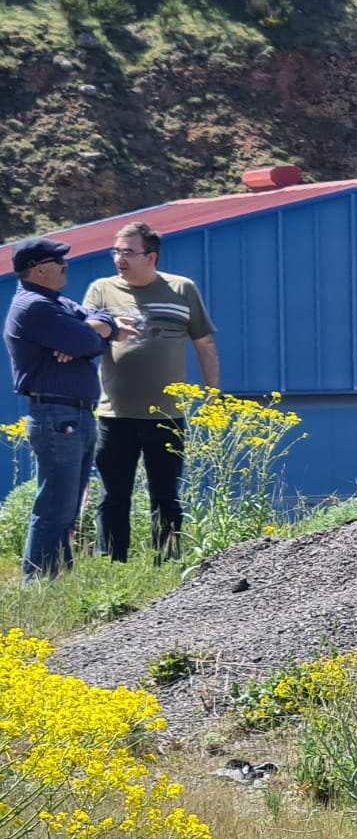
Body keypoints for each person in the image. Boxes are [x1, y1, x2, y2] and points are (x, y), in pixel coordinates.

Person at [83, 222, 216, 563]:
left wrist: (214, 398)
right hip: (115, 414)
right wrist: (106, 328)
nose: (119, 258)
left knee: (165, 495)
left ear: (151, 256)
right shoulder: (101, 290)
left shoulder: (182, 289)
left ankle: (168, 560)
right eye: (116, 251)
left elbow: (204, 344)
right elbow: (83, 333)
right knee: (113, 494)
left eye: (128, 251)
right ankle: (112, 563)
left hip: (167, 414)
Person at [5, 237, 137, 579]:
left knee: (67, 509)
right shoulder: (35, 306)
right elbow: (87, 339)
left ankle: (56, 582)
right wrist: (90, 338)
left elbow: (101, 321)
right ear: (39, 269)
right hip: (57, 415)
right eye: (58, 261)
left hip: (72, 415)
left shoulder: (56, 302)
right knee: (55, 509)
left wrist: (94, 331)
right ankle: (39, 584)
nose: (66, 265)